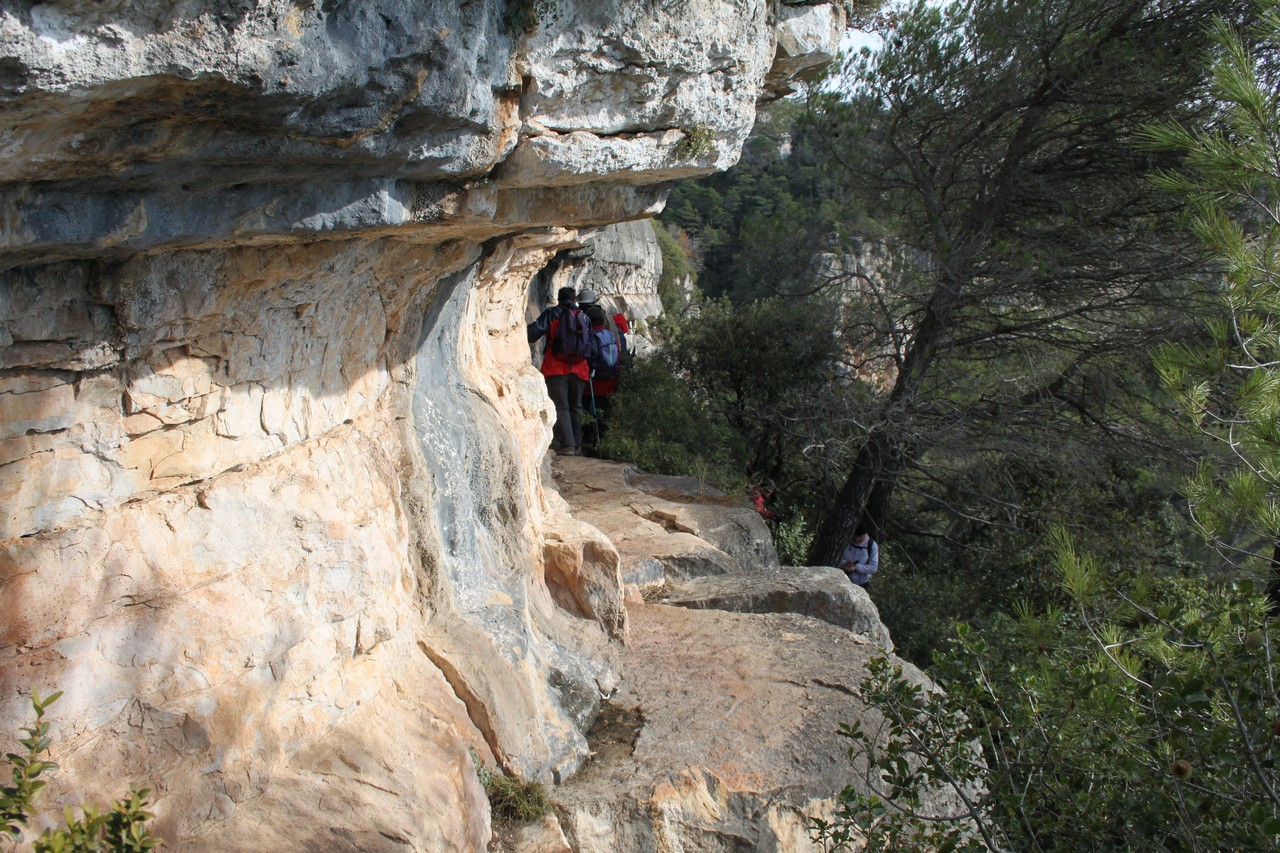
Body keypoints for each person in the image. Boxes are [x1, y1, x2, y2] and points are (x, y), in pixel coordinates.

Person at [527, 286, 590, 456]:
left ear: (559, 298)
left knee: (561, 407)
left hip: (556, 367)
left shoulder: (552, 314)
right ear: (574, 299)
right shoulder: (584, 317)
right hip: (580, 368)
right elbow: (589, 344)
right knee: (576, 407)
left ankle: (568, 445)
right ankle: (578, 444)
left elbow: (533, 333)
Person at [581, 299, 623, 450]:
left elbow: (587, 357)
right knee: (604, 414)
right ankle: (602, 443)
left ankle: (588, 439)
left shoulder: (590, 336)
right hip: (610, 382)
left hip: (593, 383)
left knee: (586, 411)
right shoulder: (611, 336)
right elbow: (619, 357)